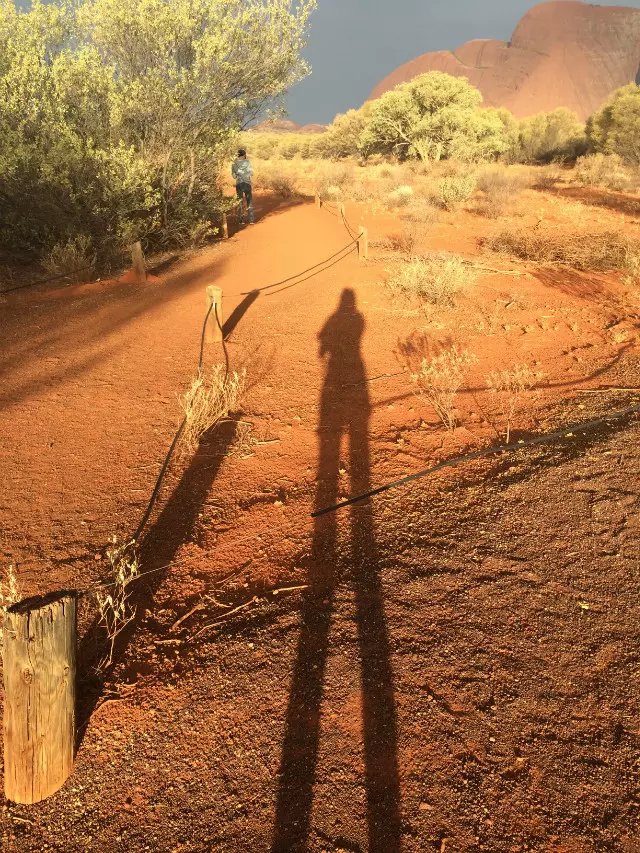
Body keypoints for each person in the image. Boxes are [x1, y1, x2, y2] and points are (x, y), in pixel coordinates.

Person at [232, 148, 255, 225]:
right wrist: (246, 175)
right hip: (247, 184)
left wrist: (239, 174)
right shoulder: (248, 162)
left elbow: (234, 176)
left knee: (240, 202)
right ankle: (251, 220)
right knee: (249, 201)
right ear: (244, 155)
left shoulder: (234, 164)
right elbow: (252, 173)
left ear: (238, 155)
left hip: (239, 184)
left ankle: (241, 220)